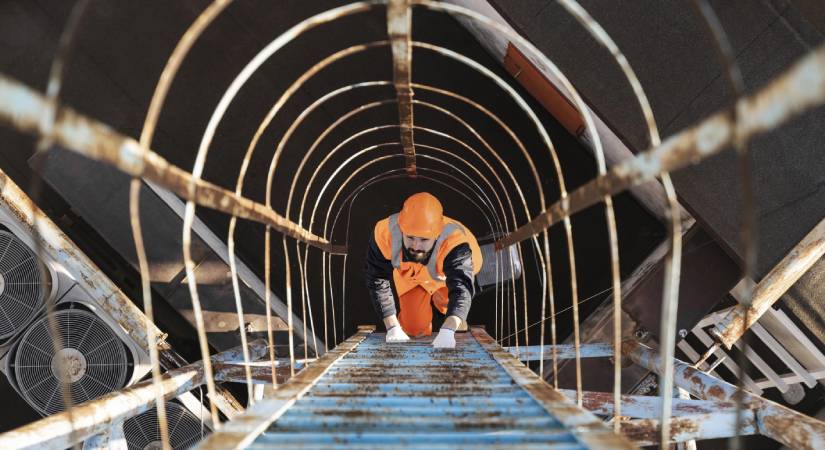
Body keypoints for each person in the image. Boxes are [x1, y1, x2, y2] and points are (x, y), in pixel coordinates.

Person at [364, 192, 482, 348]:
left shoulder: (456, 243)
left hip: (446, 275)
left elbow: (461, 288)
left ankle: (443, 305)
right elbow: (376, 278)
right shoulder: (384, 234)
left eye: (424, 239)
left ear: (437, 235)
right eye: (410, 237)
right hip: (412, 275)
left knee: (450, 305)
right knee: (413, 329)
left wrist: (448, 330)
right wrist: (392, 327)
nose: (416, 246)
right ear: (401, 229)